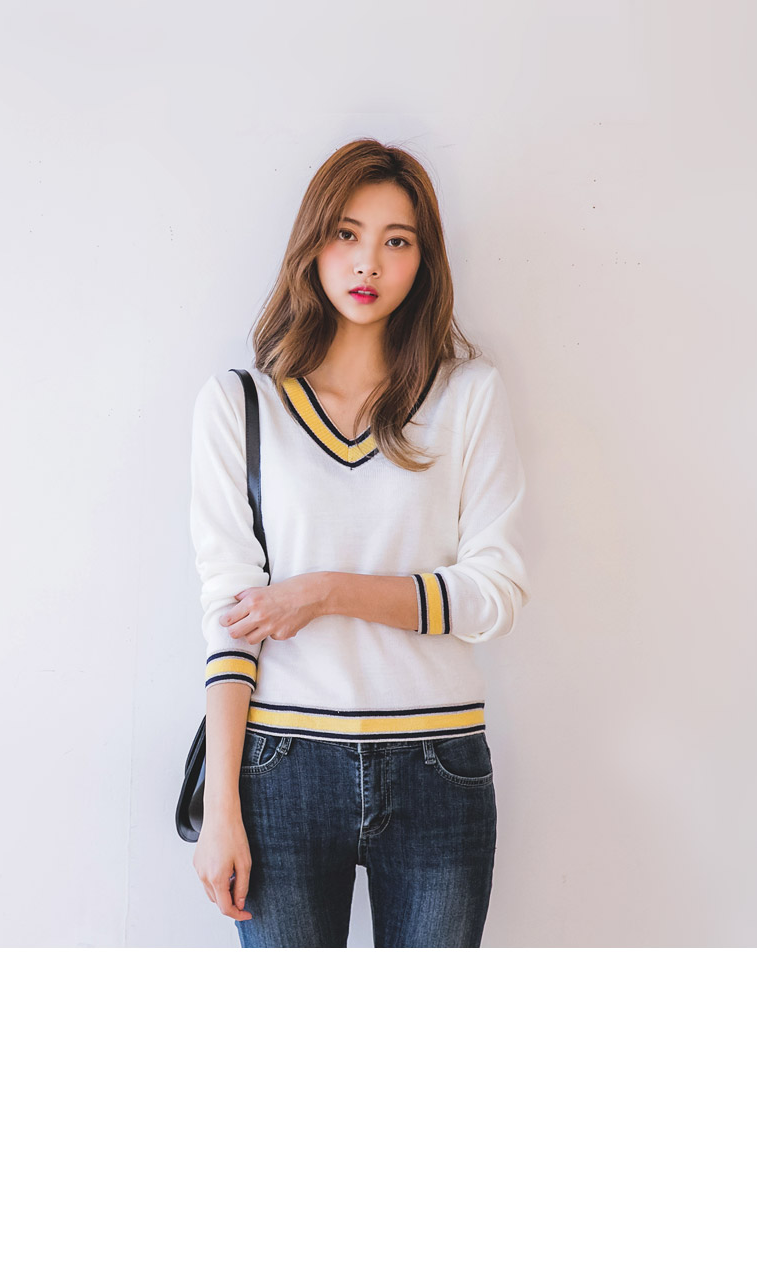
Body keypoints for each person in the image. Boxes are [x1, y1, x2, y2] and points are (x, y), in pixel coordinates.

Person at [189, 137, 531, 947]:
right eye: (346, 233)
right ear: (313, 243)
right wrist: (221, 807)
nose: (368, 261)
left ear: (423, 260)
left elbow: (496, 594)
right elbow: (229, 619)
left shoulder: (468, 396)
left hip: (438, 764)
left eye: (396, 240)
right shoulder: (240, 406)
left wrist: (327, 592)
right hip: (280, 767)